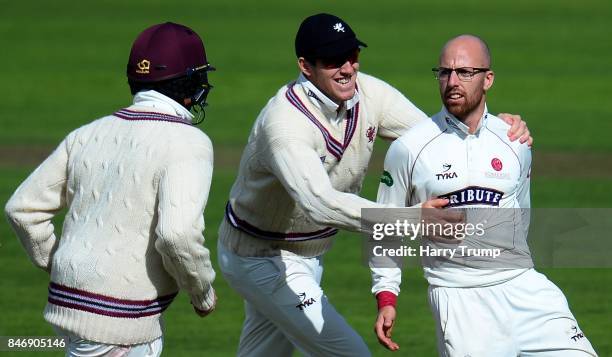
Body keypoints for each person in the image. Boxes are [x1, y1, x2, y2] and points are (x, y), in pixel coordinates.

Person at [217, 13, 531, 356]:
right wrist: (411, 218)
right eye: (333, 61)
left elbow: (433, 141)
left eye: (352, 56)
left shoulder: (368, 93)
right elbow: (319, 203)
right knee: (351, 353)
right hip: (261, 255)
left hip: (307, 254)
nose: (348, 68)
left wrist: (496, 129)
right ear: (306, 66)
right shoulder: (284, 125)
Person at [371, 34, 597, 356]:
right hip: (460, 300)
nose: (452, 81)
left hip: (525, 287)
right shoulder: (409, 148)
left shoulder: (515, 141)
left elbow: (522, 213)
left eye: (465, 72)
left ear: (487, 79)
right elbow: (384, 227)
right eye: (444, 72)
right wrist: (386, 296)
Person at [5, 22, 217, 356]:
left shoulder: (86, 134)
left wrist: (63, 265)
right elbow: (177, 235)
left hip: (68, 303)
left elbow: (22, 209)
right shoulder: (189, 143)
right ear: (190, 83)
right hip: (121, 320)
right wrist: (201, 292)